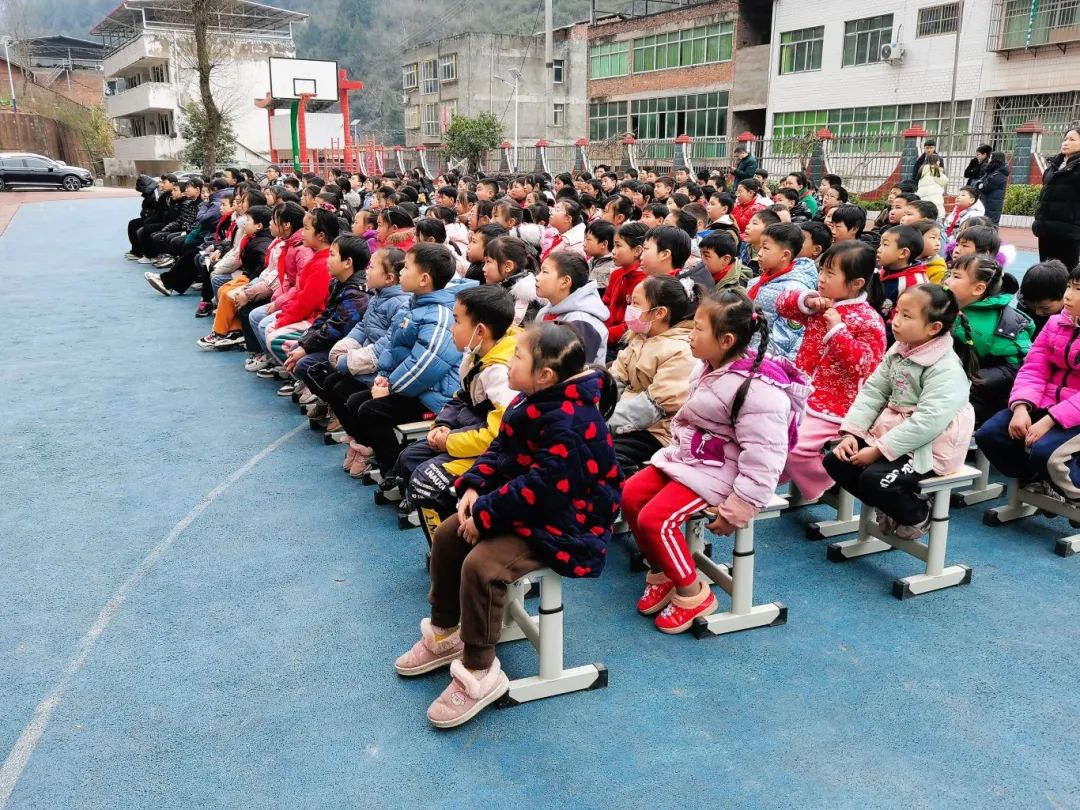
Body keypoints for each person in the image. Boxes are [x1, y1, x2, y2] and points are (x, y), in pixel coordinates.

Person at [394, 323, 621, 729]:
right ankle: (446, 632)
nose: (509, 360)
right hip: (531, 507)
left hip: (568, 521)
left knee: (482, 567)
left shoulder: (571, 420)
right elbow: (500, 448)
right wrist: (473, 487)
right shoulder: (532, 399)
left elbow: (545, 488)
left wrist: (485, 514)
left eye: (518, 356)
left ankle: (481, 670)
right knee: (448, 534)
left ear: (545, 374)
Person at [621, 287, 809, 633]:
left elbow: (765, 454)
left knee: (655, 520)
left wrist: (739, 506)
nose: (690, 335)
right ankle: (664, 569)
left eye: (698, 329)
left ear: (725, 339)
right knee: (631, 494)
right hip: (692, 458)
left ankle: (693, 592)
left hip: (723, 472)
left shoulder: (756, 389)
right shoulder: (710, 366)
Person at [824, 283, 977, 540]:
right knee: (835, 460)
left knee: (874, 480)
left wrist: (878, 450)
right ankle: (890, 507)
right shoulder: (899, 349)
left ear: (934, 328)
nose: (895, 321)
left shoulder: (946, 369)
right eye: (897, 312)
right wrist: (851, 433)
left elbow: (928, 423)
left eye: (907, 316)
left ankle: (918, 514)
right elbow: (873, 393)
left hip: (931, 446)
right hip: (895, 434)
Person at [395, 285, 519, 550]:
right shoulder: (478, 355)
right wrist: (443, 424)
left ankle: (455, 552)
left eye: (457, 320)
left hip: (496, 451)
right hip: (468, 433)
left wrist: (449, 441)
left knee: (425, 481)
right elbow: (462, 396)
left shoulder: (501, 372)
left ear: (480, 331)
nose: (451, 327)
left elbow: (500, 434)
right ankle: (444, 545)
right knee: (409, 458)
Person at [776, 241, 887, 502]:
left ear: (857, 283)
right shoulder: (823, 304)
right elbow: (783, 304)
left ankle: (830, 484)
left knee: (795, 447)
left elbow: (865, 366)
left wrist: (837, 331)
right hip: (801, 393)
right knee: (765, 434)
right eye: (822, 270)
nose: (821, 279)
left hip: (838, 408)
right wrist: (806, 301)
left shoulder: (868, 320)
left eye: (830, 273)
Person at [976, 261, 1080, 501]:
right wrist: (1022, 407)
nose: (1068, 295)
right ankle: (1038, 480)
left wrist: (1050, 420)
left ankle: (1072, 493)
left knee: (1047, 453)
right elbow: (1034, 368)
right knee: (990, 435)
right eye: (1069, 287)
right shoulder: (1056, 323)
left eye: (1078, 290)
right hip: (1044, 403)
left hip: (1072, 415)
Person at [608, 275, 698, 472]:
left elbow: (652, 407)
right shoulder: (640, 338)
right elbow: (615, 381)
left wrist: (603, 423)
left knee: (601, 455)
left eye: (636, 304)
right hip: (623, 419)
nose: (630, 309)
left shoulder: (681, 351)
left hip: (656, 432)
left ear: (659, 313)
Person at [944, 255, 1033, 427]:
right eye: (950, 274)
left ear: (978, 288)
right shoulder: (945, 305)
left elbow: (1015, 367)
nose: (947, 280)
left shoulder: (1006, 323)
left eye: (956, 276)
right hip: (945, 381)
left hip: (977, 393)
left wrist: (972, 381)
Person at [746, 222, 818, 361]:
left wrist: (751, 358)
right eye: (760, 247)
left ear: (785, 255)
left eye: (765, 248)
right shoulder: (759, 281)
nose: (759, 253)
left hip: (763, 361)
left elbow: (784, 341)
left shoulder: (794, 292)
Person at [535, 253, 610, 365]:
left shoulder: (581, 322)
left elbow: (572, 370)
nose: (537, 277)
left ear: (565, 282)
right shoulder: (547, 309)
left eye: (544, 272)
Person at [1033, 127, 1080, 271]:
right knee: (1045, 269)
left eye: (1072, 139)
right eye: (1065, 139)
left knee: (1066, 271)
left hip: (1068, 230)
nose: (1066, 142)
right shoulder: (1054, 164)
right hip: (1046, 228)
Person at [876, 224, 929, 341]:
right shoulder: (883, 271)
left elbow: (903, 323)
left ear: (903, 253)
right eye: (880, 244)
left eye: (885, 245)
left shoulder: (916, 284)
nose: (879, 249)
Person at [603, 221, 648, 352]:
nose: (613, 251)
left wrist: (604, 334)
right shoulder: (617, 274)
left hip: (624, 344)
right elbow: (605, 305)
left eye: (618, 246)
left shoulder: (643, 281)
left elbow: (632, 325)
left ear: (638, 250)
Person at [482, 236, 541, 326]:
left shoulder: (522, 299)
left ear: (508, 266)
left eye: (488, 262)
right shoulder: (504, 287)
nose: (483, 268)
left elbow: (508, 329)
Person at [1017, 259, 1068, 338]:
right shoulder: (1024, 305)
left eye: (1045, 308)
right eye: (1032, 307)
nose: (1038, 312)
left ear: (1064, 295)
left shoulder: (1073, 313)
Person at [975, 151, 1010, 225]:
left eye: (991, 157)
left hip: (992, 205)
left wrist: (980, 185)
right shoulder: (992, 171)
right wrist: (979, 184)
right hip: (987, 202)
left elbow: (985, 187)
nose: (989, 159)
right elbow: (979, 183)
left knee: (990, 225)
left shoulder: (1000, 173)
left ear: (996, 159)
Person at [911, 218, 947, 284]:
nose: (938, 243)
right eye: (933, 237)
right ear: (917, 238)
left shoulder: (938, 270)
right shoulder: (903, 262)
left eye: (939, 239)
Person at [584, 219, 616, 292]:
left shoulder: (611, 268)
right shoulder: (590, 261)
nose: (584, 244)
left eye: (588, 240)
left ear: (604, 244)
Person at [916, 153, 948, 219]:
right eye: (938, 160)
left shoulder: (922, 170)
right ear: (936, 161)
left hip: (923, 196)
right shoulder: (934, 169)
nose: (939, 162)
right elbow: (944, 180)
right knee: (937, 215)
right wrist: (941, 170)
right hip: (934, 197)